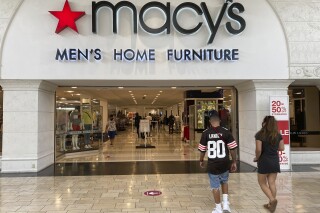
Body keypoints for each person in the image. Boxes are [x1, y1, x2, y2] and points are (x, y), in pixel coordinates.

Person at [198, 110, 237, 213]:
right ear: (219, 120)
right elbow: (232, 149)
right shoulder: (226, 131)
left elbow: (202, 150)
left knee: (215, 186)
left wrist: (201, 160)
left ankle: (218, 208)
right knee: (224, 182)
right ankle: (225, 205)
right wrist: (234, 162)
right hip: (224, 162)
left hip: (212, 164)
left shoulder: (206, 133)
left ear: (210, 121)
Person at [254, 116, 284, 213]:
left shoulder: (260, 134)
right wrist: (273, 148)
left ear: (265, 123)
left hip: (264, 161)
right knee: (272, 182)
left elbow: (259, 150)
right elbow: (282, 148)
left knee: (262, 183)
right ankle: (271, 205)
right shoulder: (278, 135)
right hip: (274, 161)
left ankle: (272, 200)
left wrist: (257, 158)